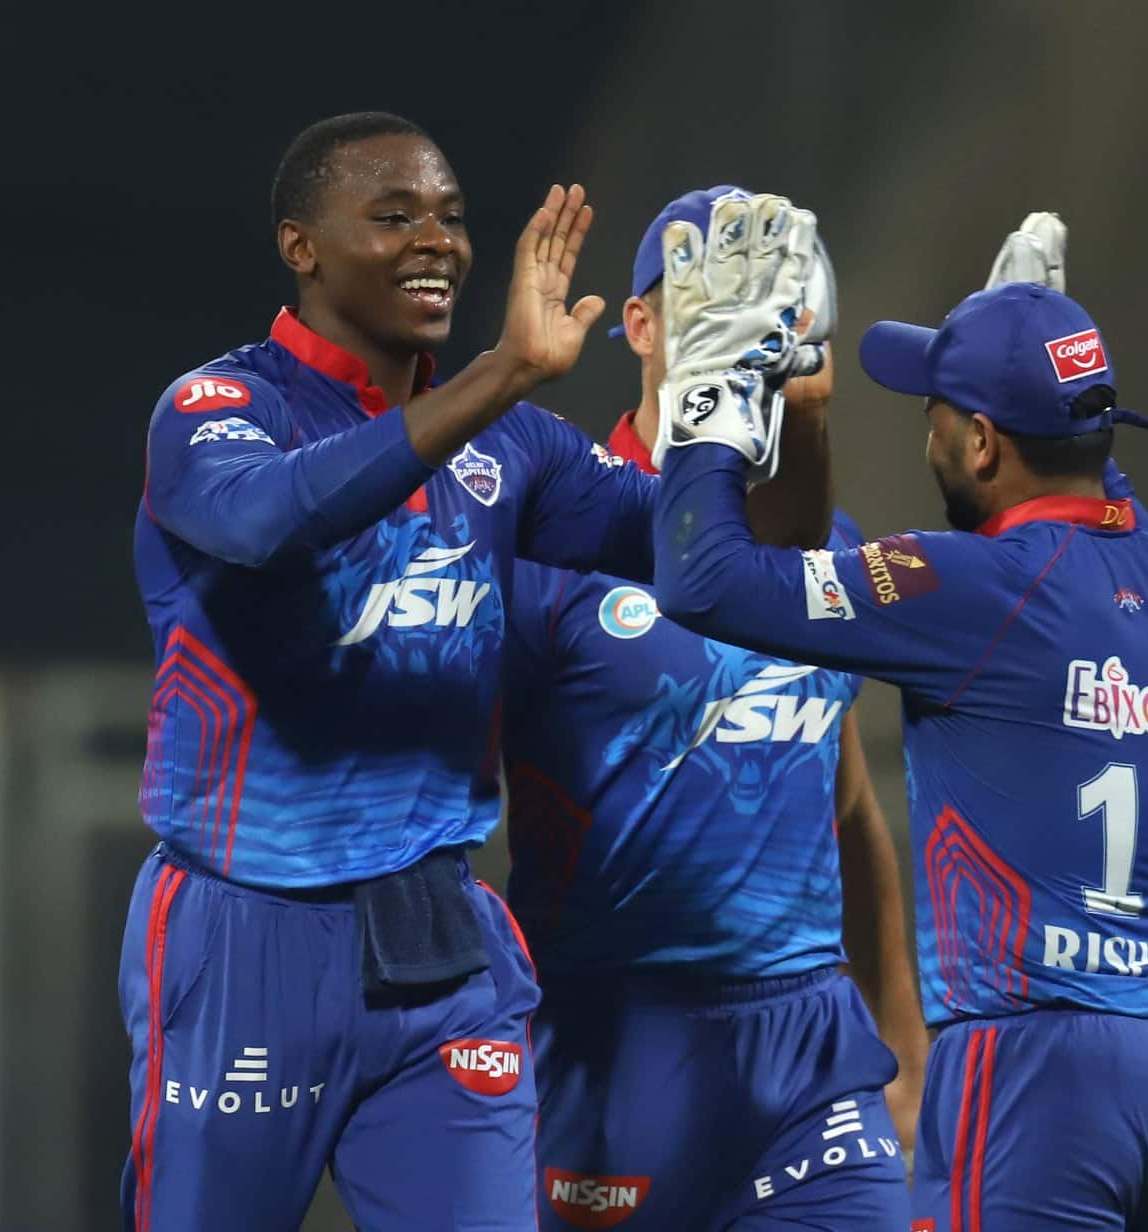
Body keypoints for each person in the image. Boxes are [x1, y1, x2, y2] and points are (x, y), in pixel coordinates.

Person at [123, 113, 817, 1231]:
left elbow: (724, 553)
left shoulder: (516, 448)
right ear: (301, 247)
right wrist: (500, 374)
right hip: (247, 930)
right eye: (391, 216)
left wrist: (742, 397)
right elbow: (268, 519)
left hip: (440, 936)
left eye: (447, 217)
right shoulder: (218, 409)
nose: (433, 241)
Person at [647, 214, 1148, 1231]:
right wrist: (1033, 349)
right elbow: (1095, 484)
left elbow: (702, 581)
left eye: (935, 412)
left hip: (1034, 1071)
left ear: (978, 440)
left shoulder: (964, 585)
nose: (927, 434)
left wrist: (709, 399)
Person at [501, 187, 925, 1231]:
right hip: (615, 1047)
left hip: (810, 1051)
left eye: (775, 289)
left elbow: (848, 805)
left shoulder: (832, 547)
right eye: (711, 288)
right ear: (638, 324)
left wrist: (906, 1045)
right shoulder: (552, 544)